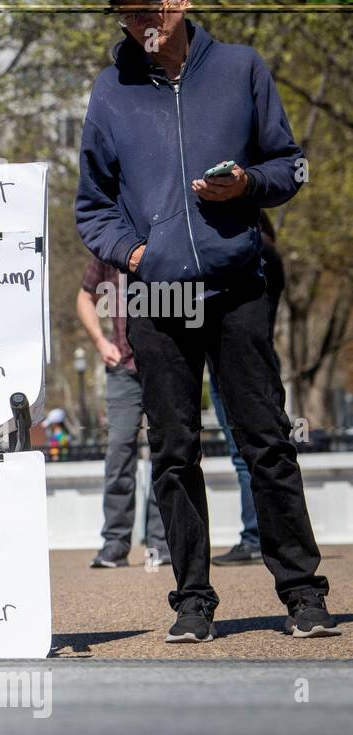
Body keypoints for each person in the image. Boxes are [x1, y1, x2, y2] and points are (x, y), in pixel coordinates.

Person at [76, 0, 336, 641]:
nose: (141, 21)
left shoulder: (242, 68)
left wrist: (247, 182)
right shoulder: (111, 92)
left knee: (266, 441)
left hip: (236, 285)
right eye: (126, 13)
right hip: (158, 299)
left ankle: (302, 593)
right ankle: (193, 599)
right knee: (172, 450)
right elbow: (92, 205)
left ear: (182, 2)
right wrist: (134, 254)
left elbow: (289, 166)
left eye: (150, 8)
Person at [77, 256, 169, 569]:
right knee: (119, 453)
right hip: (122, 370)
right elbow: (85, 297)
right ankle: (114, 543)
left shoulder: (168, 238)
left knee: (167, 452)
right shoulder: (109, 248)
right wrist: (101, 343)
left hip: (168, 366)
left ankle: (162, 542)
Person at [209, 213, 285, 567]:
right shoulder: (270, 253)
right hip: (259, 359)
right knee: (267, 451)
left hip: (239, 362)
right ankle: (267, 536)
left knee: (248, 454)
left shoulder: (255, 253)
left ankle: (256, 536)